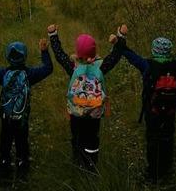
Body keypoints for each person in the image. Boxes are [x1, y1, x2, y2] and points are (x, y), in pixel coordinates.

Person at [113, 25, 176, 182]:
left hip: (152, 110)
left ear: (154, 50)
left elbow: (129, 54)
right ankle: (167, 171)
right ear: (169, 51)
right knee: (168, 138)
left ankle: (153, 174)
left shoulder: (147, 65)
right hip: (170, 110)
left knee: (153, 139)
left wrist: (118, 40)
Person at [47, 24, 124, 171]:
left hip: (76, 111)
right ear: (94, 52)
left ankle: (77, 161)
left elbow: (59, 55)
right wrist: (120, 38)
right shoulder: (100, 67)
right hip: (94, 112)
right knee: (92, 138)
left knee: (76, 135)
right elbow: (115, 56)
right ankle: (91, 164)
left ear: (77, 52)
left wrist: (53, 35)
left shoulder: (74, 67)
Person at [0, 38, 54, 177]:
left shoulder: (3, 75)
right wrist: (44, 51)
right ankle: (22, 163)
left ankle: (4, 161)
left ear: (8, 57)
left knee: (6, 138)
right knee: (22, 139)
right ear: (25, 56)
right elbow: (48, 68)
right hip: (22, 117)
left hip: (6, 116)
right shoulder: (29, 74)